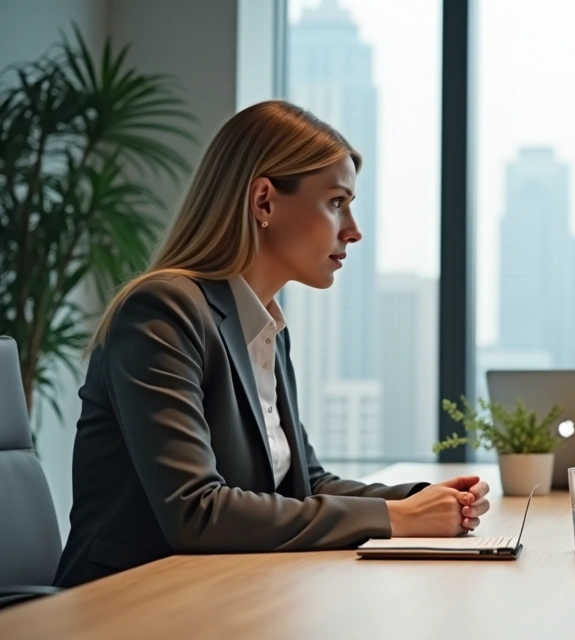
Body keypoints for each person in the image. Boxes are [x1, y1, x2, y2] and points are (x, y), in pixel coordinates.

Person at [54, 101, 490, 588]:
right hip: (127, 600)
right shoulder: (163, 310)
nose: (354, 229)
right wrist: (397, 518)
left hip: (222, 591)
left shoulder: (262, 327)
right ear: (264, 201)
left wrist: (420, 497)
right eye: (336, 202)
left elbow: (305, 484)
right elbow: (196, 511)